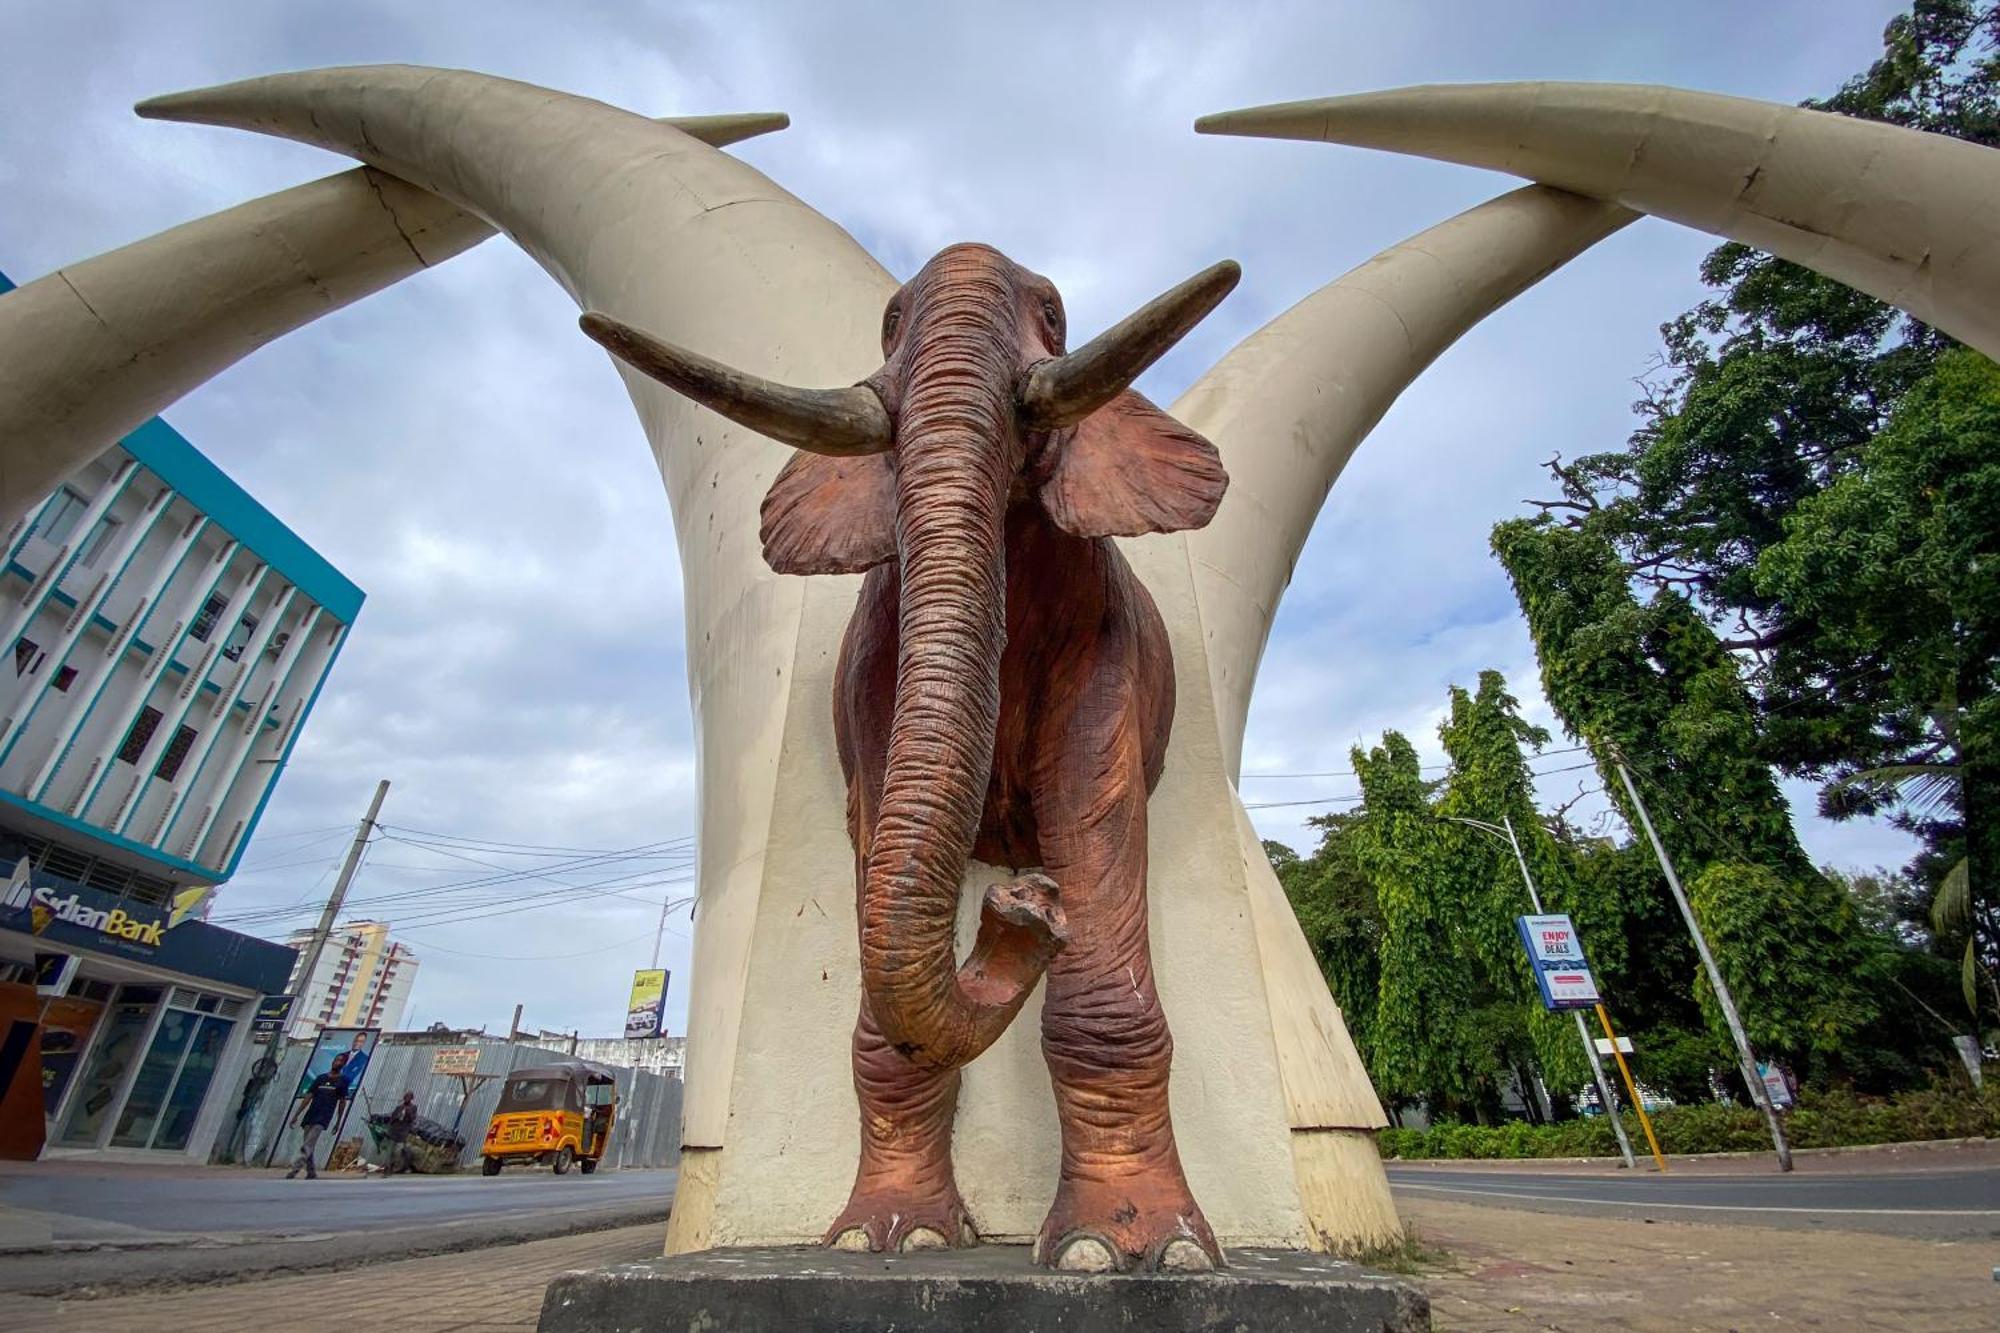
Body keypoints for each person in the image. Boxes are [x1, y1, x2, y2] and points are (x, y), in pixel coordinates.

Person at [286, 1052, 347, 1180]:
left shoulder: (342, 1081)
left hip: (323, 1117)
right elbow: (308, 1096)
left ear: (344, 1064)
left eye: (341, 1061)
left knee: (308, 1144)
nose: (337, 1062)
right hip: (311, 1115)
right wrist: (296, 1114)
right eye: (336, 1060)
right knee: (309, 1144)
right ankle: (311, 1172)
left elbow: (342, 1102)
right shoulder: (320, 1078)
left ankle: (295, 1169)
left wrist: (338, 1121)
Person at [384, 1091, 418, 1175]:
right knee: (390, 1150)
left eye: (409, 1097)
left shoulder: (413, 1108)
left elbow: (412, 1119)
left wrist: (408, 1111)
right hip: (394, 1131)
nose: (407, 1099)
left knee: (398, 1150)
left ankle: (394, 1166)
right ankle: (388, 1167)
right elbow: (392, 1118)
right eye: (406, 1097)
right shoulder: (399, 1107)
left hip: (403, 1132)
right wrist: (389, 1128)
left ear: (411, 1099)